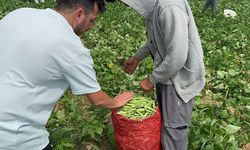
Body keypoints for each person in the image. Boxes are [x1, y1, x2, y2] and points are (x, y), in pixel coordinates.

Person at [0, 0, 133, 149]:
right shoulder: (71, 46)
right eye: (91, 20)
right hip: (16, 137)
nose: (91, 26)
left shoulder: (19, 14)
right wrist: (115, 102)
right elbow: (98, 100)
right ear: (80, 14)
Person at [121, 0, 205, 149]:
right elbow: (156, 39)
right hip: (167, 75)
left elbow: (177, 56)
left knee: (174, 129)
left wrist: (151, 79)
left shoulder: (169, 8)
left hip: (178, 79)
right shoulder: (156, 7)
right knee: (167, 123)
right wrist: (137, 58)